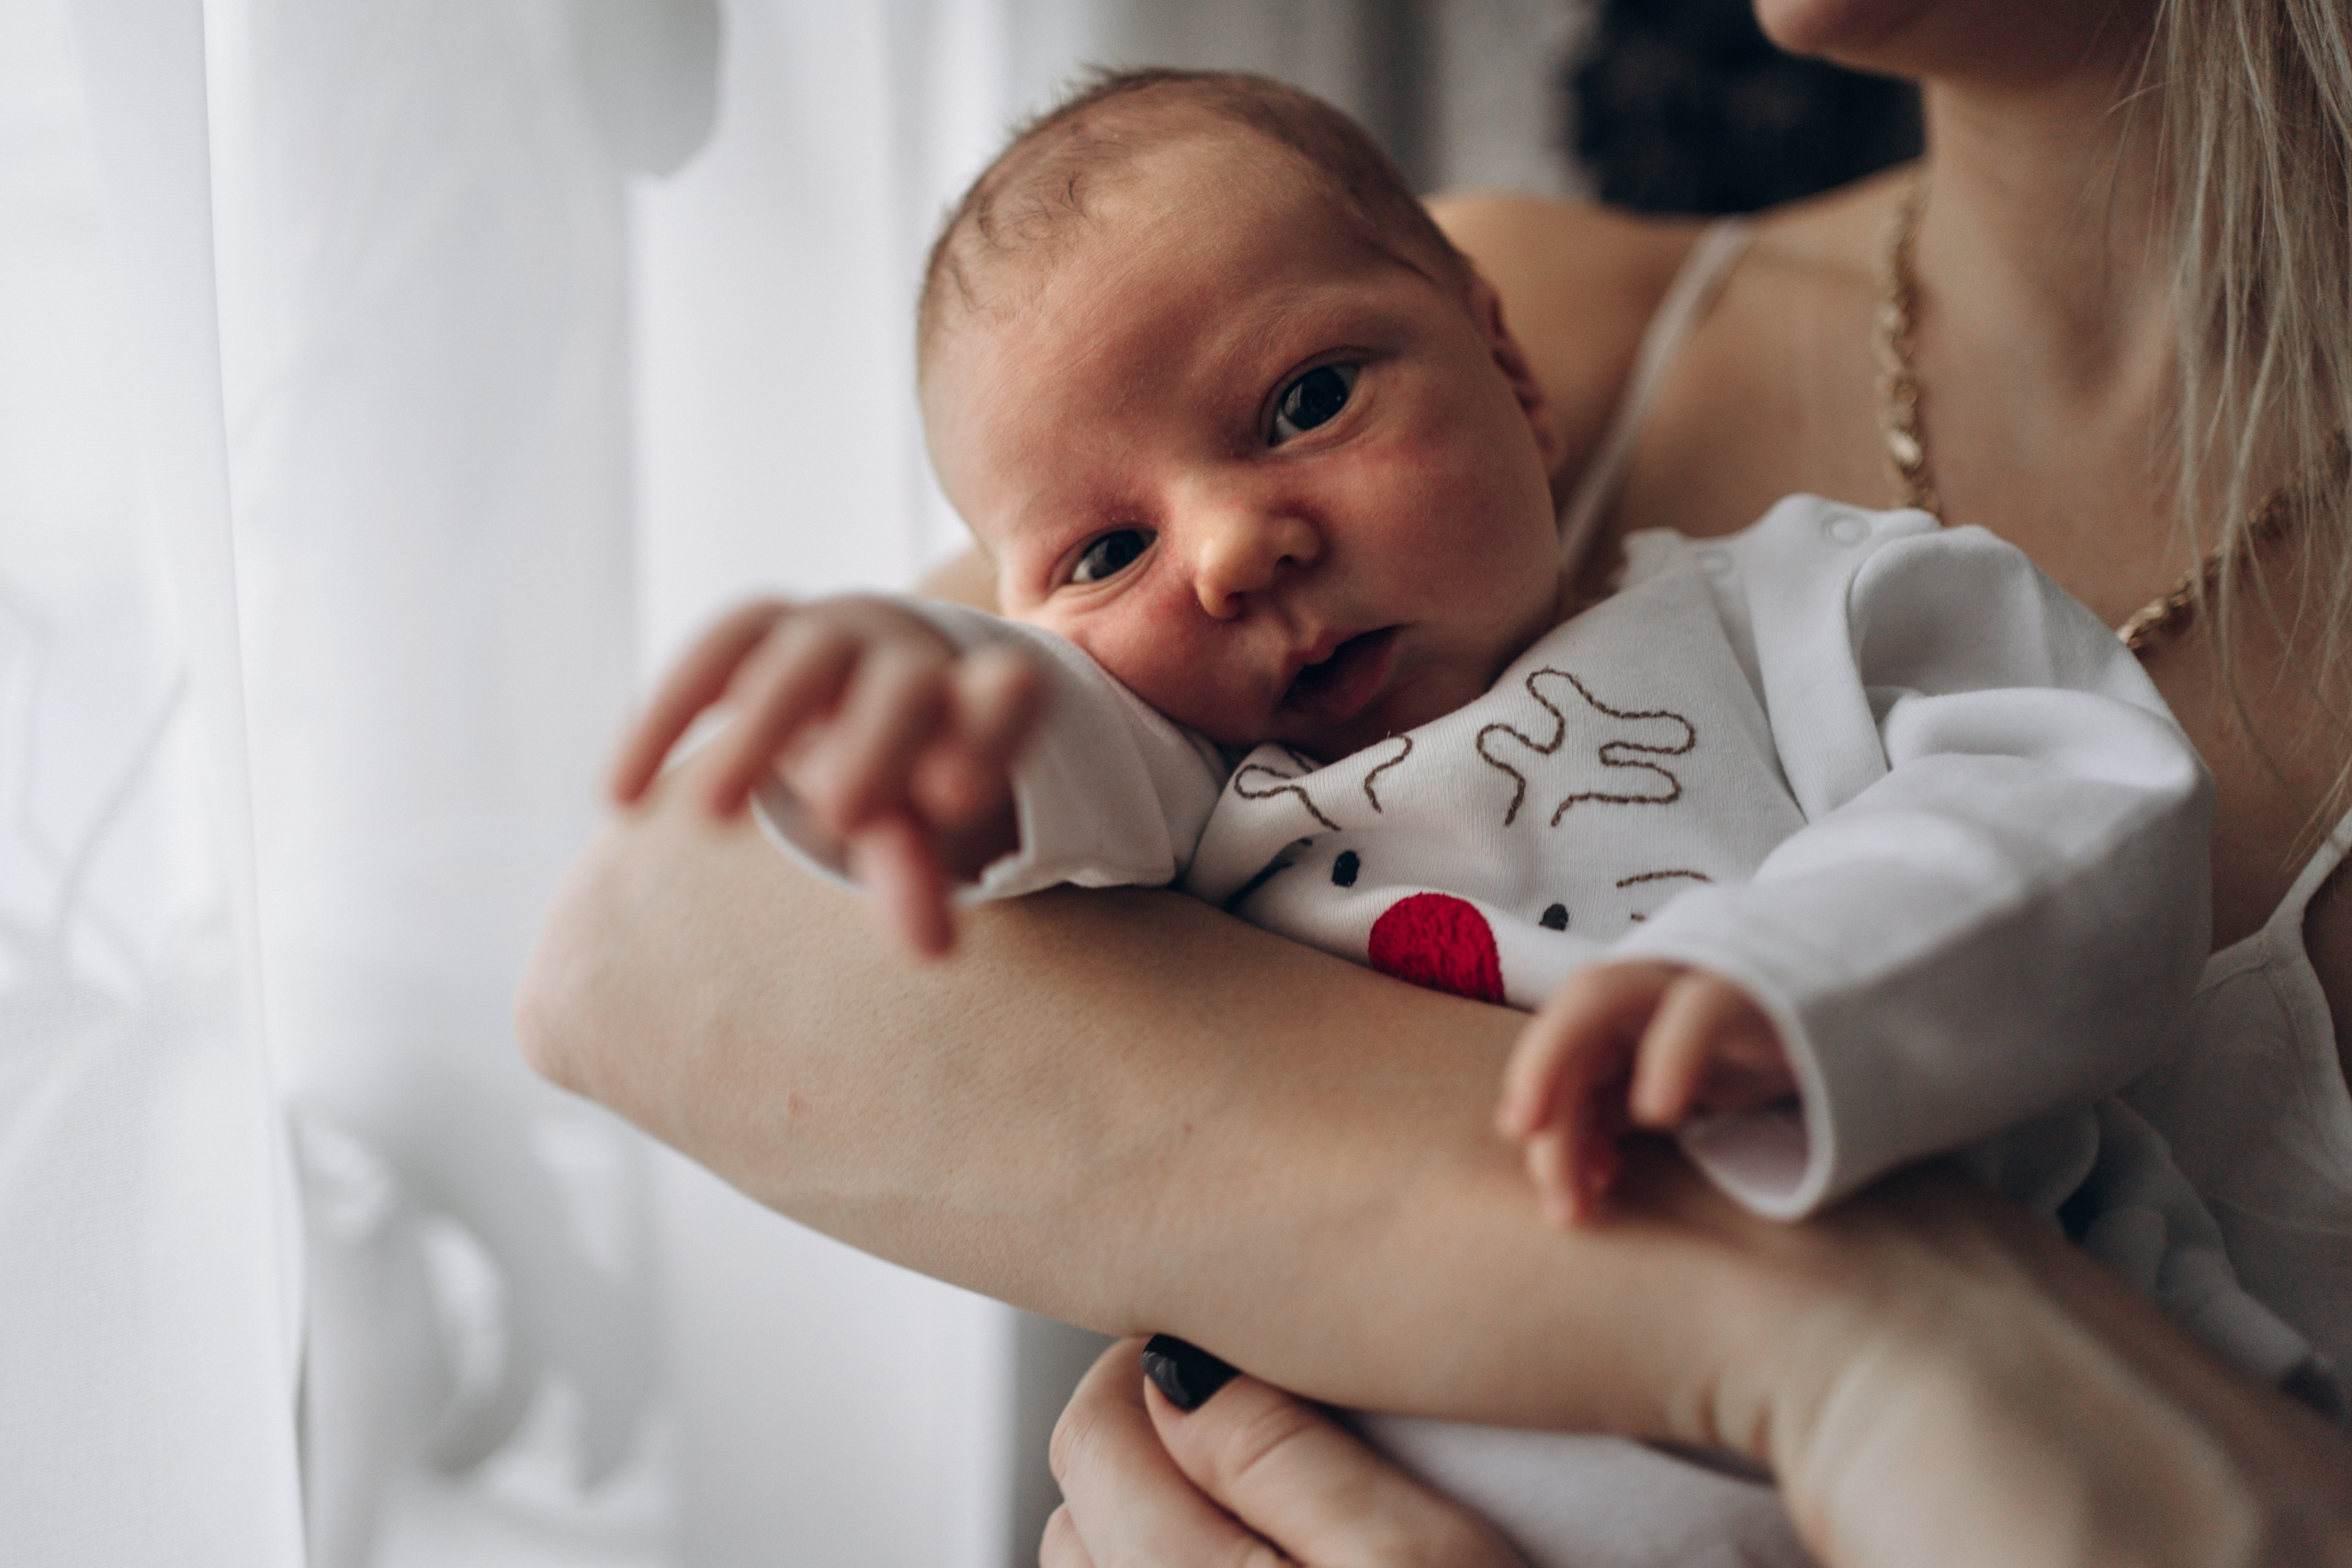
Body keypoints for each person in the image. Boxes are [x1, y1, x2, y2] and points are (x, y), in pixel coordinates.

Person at [514, 0, 2352, 1559]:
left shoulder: (1792, 602)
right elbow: (824, 867)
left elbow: (2064, 808)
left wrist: (1784, 985)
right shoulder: (1179, 761)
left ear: (1505, 370)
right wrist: (912, 725)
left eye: (1306, 402)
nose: (1229, 550)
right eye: (1097, 554)